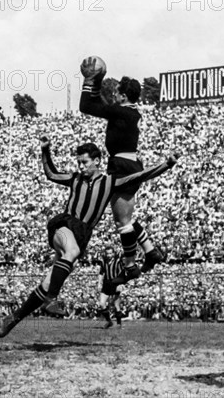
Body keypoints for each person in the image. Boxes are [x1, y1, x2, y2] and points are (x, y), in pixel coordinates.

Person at [0, 136, 177, 337]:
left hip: (82, 234)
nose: (81, 167)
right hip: (64, 225)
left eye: (85, 162)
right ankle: (51, 300)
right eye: (79, 163)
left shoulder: (110, 182)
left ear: (97, 160)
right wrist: (45, 150)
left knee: (48, 282)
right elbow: (51, 174)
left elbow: (140, 176)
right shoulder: (74, 179)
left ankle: (13, 319)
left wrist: (167, 164)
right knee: (70, 252)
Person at [79, 57, 165, 282]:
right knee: (126, 218)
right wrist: (98, 84)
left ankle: (130, 264)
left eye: (117, 93)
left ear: (124, 97)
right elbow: (102, 104)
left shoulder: (122, 112)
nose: (114, 96)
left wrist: (91, 81)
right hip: (128, 164)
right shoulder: (129, 111)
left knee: (122, 223)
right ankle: (150, 250)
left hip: (123, 167)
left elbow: (86, 106)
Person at [96, 246, 125, 329]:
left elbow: (122, 273)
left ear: (113, 253)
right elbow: (101, 273)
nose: (108, 255)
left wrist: (121, 284)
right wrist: (99, 283)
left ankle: (119, 324)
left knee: (116, 305)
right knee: (101, 304)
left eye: (110, 253)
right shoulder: (103, 261)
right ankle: (109, 322)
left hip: (116, 283)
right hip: (106, 284)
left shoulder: (118, 261)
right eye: (107, 253)